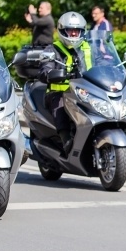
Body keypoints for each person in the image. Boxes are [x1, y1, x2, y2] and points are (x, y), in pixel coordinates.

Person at [38, 11, 88, 156]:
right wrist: (52, 74)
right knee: (60, 104)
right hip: (58, 93)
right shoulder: (52, 50)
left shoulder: (88, 48)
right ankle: (66, 138)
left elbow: (103, 62)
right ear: (62, 31)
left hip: (84, 92)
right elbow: (44, 70)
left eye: (77, 31)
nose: (74, 35)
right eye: (70, 31)